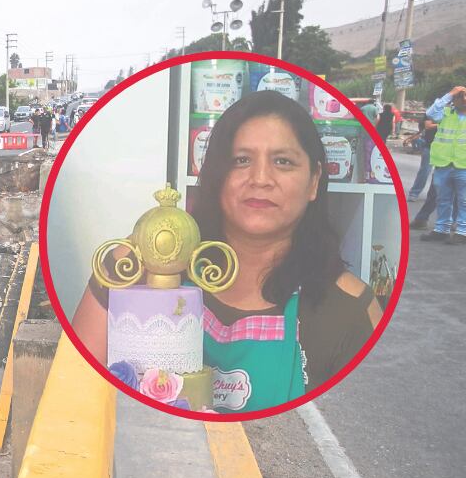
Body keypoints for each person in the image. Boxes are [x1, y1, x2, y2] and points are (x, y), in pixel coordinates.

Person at [72, 91, 382, 411]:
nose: (260, 179)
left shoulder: (350, 312)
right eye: (241, 160)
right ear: (215, 175)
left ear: (314, 180)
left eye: (283, 162)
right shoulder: (135, 263)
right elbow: (74, 391)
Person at [421, 85, 466, 244]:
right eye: (460, 96)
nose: (463, 99)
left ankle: (463, 232)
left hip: (463, 166)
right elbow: (431, 113)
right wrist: (449, 94)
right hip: (444, 164)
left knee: (464, 200)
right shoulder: (447, 113)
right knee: (443, 199)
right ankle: (441, 229)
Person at [404, 115, 437, 203]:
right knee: (425, 171)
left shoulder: (454, 112)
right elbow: (427, 126)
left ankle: (434, 195)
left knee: (441, 175)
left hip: (445, 149)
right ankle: (414, 193)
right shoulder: (432, 113)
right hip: (430, 147)